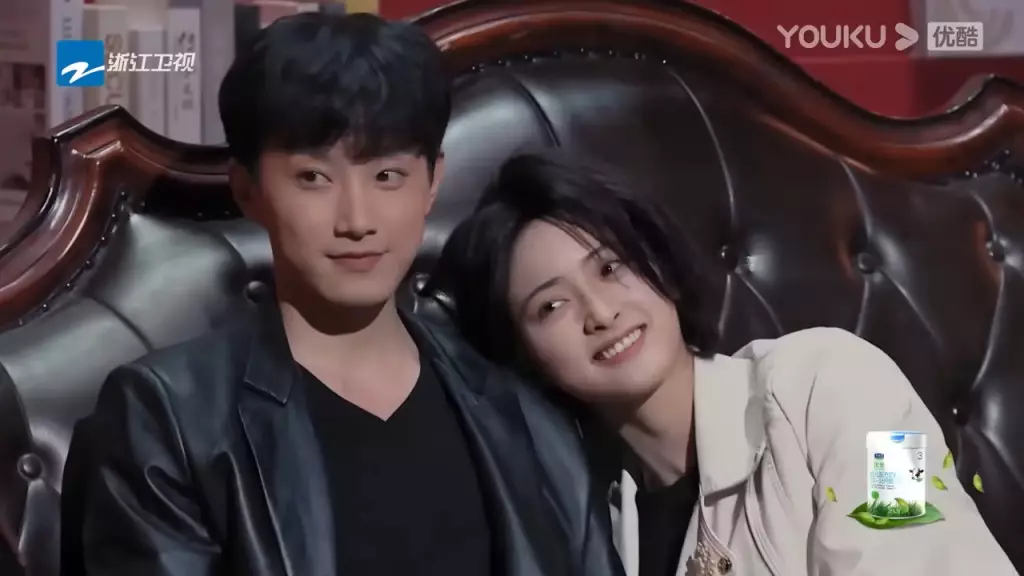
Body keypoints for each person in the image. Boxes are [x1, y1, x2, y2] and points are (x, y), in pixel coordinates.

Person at [60, 14, 624, 576]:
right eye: (314, 178)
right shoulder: (167, 420)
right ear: (248, 190)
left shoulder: (523, 417)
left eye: (387, 176)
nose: (356, 220)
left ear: (432, 183)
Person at [429, 152, 1019, 576]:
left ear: (658, 265)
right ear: (524, 356)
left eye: (610, 268)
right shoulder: (596, 530)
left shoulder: (839, 378)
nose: (601, 313)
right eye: (551, 306)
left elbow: (921, 549)